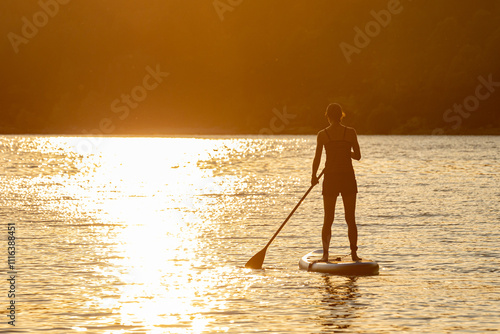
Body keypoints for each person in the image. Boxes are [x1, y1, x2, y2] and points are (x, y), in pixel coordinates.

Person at [311, 103, 362, 262]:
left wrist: (313, 176)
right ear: (341, 115)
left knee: (328, 219)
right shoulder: (351, 133)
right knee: (350, 218)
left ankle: (325, 255)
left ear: (327, 116)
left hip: (331, 178)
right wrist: (347, 152)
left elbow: (317, 158)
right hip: (347, 177)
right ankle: (354, 254)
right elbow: (358, 156)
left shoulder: (323, 134)